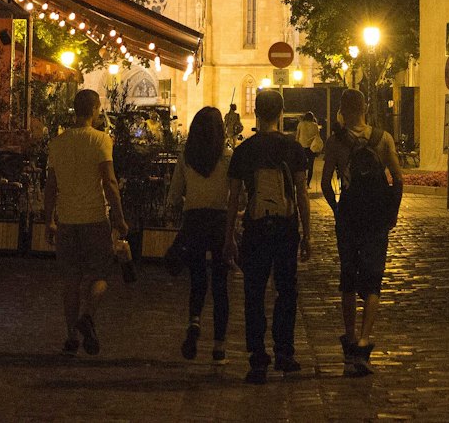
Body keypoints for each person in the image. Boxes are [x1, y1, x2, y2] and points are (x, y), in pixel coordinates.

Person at [224, 88, 310, 384]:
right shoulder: (294, 149)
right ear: (281, 112)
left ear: (257, 113)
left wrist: (228, 237)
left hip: (255, 229)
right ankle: (285, 352)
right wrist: (307, 234)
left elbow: (233, 198)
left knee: (254, 293)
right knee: (286, 291)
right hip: (286, 229)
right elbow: (301, 195)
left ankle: (257, 357)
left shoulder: (244, 151)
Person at [320, 88, 403, 377]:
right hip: (376, 220)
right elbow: (398, 180)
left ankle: (350, 337)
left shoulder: (335, 142)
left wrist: (337, 209)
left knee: (348, 277)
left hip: (349, 217)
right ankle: (366, 339)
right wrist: (391, 213)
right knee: (373, 279)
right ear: (365, 107)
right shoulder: (382, 139)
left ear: (342, 110)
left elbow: (325, 184)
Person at [44, 88, 129, 357]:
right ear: (94, 110)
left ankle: (71, 337)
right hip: (94, 219)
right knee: (101, 274)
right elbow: (110, 182)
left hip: (67, 220)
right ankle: (88, 316)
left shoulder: (58, 143)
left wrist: (49, 220)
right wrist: (119, 217)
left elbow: (50, 186)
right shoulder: (101, 140)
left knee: (70, 281)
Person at [166, 106, 232, 362]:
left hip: (193, 221)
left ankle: (194, 322)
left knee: (197, 279)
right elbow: (238, 194)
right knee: (220, 284)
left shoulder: (187, 158)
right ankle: (219, 346)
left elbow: (174, 195)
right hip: (218, 221)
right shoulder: (227, 157)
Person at [295, 109, 323, 189]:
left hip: (301, 147)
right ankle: (308, 184)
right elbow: (317, 137)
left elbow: (297, 136)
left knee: (301, 165)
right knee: (311, 166)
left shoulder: (301, 124)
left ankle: (302, 183)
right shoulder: (315, 125)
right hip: (311, 148)